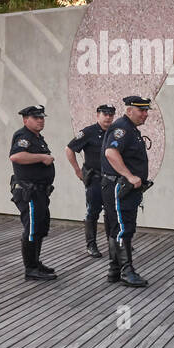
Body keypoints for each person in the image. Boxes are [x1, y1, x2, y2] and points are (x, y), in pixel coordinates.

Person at [102, 95, 152, 288]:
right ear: (129, 110)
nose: (145, 114)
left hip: (125, 189)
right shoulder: (122, 128)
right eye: (142, 110)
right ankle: (126, 270)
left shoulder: (131, 129)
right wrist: (129, 176)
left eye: (146, 110)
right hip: (119, 186)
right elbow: (110, 153)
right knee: (123, 227)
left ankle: (115, 269)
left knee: (119, 227)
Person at [9, 104, 56, 281]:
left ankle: (36, 263)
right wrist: (42, 157)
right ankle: (30, 269)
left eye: (42, 117)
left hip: (40, 192)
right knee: (31, 229)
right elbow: (16, 156)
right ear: (25, 119)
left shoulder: (37, 138)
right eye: (36, 118)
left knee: (40, 228)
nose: (40, 120)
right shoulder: (23, 136)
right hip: (29, 192)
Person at [64, 103, 115, 257]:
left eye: (110, 114)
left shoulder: (115, 132)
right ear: (97, 115)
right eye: (104, 114)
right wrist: (77, 170)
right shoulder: (89, 132)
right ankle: (91, 245)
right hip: (95, 179)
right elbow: (69, 149)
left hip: (111, 180)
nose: (107, 117)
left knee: (111, 212)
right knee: (92, 212)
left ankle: (112, 243)